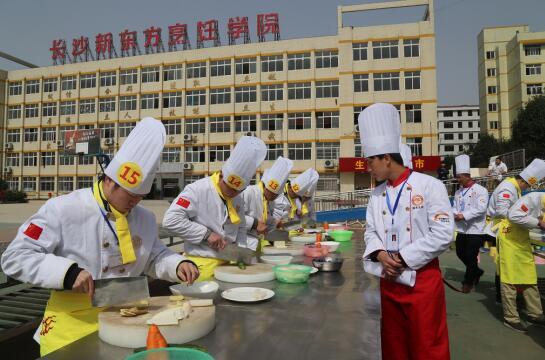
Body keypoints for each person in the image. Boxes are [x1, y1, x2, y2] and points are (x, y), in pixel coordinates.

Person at [0, 118, 199, 356]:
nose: (135, 202)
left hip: (127, 319)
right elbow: (16, 256)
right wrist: (67, 272)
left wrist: (178, 264)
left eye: (141, 196)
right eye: (131, 195)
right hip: (72, 325)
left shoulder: (143, 217)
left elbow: (154, 256)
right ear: (109, 180)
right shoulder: (64, 208)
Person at [361, 103, 453, 360]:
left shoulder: (430, 186)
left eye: (371, 162)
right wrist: (380, 255)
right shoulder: (376, 194)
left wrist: (401, 258)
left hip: (421, 281)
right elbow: (370, 231)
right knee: (394, 345)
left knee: (427, 346)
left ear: (386, 159)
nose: (369, 168)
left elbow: (443, 233)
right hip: (389, 281)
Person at [162, 136, 267, 281]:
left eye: (237, 191)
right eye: (229, 188)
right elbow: (171, 220)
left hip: (228, 264)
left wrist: (241, 253)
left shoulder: (237, 197)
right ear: (222, 174)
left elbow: (241, 226)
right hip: (199, 267)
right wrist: (206, 234)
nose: (232, 193)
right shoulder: (197, 190)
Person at [485, 159, 545, 303]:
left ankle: (507, 294)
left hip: (503, 230)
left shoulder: (512, 187)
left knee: (505, 264)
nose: (527, 189)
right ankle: (502, 296)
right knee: (503, 264)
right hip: (497, 231)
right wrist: (528, 218)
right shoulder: (508, 188)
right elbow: (502, 212)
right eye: (529, 185)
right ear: (524, 182)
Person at [498, 172, 545, 332]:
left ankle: (535, 313)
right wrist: (538, 222)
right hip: (509, 237)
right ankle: (511, 318)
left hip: (522, 239)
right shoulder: (533, 199)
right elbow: (513, 215)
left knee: (529, 276)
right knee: (510, 278)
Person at [452, 154, 489, 293]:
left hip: (475, 229)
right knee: (460, 253)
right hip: (462, 229)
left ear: (467, 175)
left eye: (459, 176)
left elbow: (481, 208)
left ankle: (468, 281)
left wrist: (464, 215)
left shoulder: (481, 190)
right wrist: (455, 213)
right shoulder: (458, 192)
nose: (457, 179)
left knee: (471, 255)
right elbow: (454, 206)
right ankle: (476, 271)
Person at [241, 156, 293, 250]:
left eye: (276, 195)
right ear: (265, 186)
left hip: (256, 244)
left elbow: (266, 221)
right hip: (242, 244)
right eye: (272, 193)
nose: (273, 197)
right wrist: (254, 224)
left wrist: (275, 223)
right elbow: (233, 218)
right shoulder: (249, 192)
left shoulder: (270, 200)